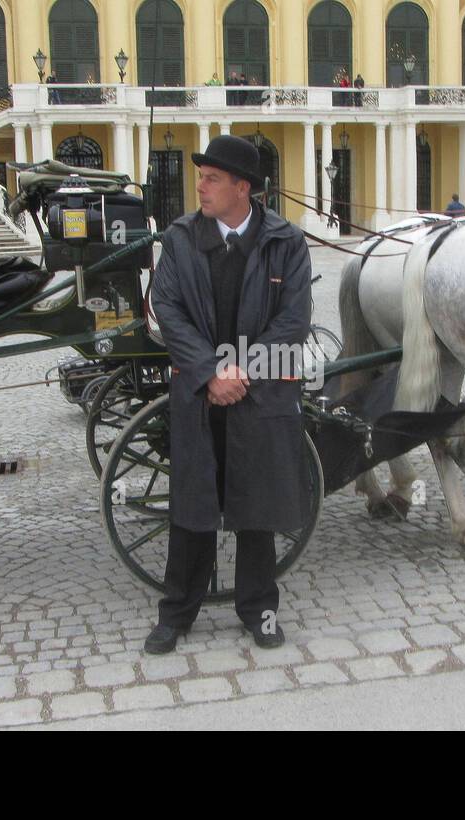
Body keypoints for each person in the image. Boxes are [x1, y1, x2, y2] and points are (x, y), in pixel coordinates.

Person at [145, 135, 313, 655]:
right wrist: (210, 374)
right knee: (192, 506)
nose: (201, 185)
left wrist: (240, 371)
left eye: (212, 177)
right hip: (199, 393)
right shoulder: (179, 238)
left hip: (258, 393)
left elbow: (293, 321)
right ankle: (176, 613)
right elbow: (167, 309)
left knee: (256, 505)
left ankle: (259, 609)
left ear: (243, 188)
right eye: (201, 176)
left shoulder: (287, 241)